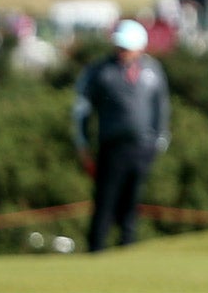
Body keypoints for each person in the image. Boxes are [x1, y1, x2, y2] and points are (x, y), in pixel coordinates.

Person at [71, 18, 170, 252]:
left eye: (126, 47)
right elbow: (82, 110)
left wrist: (159, 142)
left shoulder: (153, 71)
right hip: (111, 147)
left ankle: (128, 248)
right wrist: (83, 144)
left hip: (143, 148)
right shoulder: (100, 71)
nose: (122, 51)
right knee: (105, 202)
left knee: (132, 203)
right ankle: (96, 250)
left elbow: (162, 108)